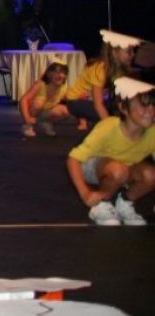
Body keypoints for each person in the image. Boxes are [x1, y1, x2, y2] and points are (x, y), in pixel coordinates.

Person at [66, 76, 155, 226]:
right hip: (94, 167)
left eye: (154, 105)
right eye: (144, 106)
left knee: (151, 174)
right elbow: (73, 159)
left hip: (125, 169)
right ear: (123, 108)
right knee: (118, 170)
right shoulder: (109, 127)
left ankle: (125, 202)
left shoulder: (153, 132)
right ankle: (101, 203)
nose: (151, 111)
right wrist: (85, 193)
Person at [66, 29, 140, 126]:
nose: (133, 55)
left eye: (134, 51)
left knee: (122, 110)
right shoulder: (100, 69)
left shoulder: (121, 69)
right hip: (75, 101)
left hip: (93, 100)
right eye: (129, 51)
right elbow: (98, 104)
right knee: (111, 115)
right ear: (115, 52)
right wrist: (111, 127)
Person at [19, 59, 71, 137]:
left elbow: (70, 99)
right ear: (49, 74)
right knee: (39, 103)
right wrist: (27, 118)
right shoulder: (41, 84)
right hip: (32, 109)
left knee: (66, 111)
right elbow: (23, 100)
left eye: (64, 73)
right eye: (57, 72)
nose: (61, 76)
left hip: (45, 111)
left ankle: (45, 122)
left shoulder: (64, 87)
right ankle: (27, 126)